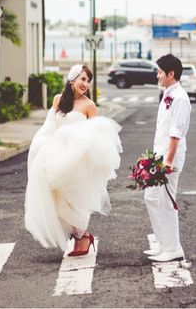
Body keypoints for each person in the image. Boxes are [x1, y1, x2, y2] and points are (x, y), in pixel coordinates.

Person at [24, 64, 122, 256]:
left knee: (74, 201)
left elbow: (98, 135)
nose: (85, 84)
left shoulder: (89, 105)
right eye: (82, 79)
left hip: (78, 160)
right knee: (55, 198)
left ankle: (82, 237)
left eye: (88, 81)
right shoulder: (58, 100)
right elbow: (49, 126)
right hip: (56, 155)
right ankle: (81, 236)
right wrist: (39, 148)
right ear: (72, 80)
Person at [144, 54, 191, 262]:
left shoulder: (179, 98)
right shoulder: (168, 94)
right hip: (159, 155)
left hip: (169, 159)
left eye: (160, 72)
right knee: (151, 197)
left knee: (166, 202)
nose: (157, 75)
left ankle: (173, 248)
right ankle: (163, 243)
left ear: (171, 74)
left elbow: (176, 133)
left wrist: (168, 161)